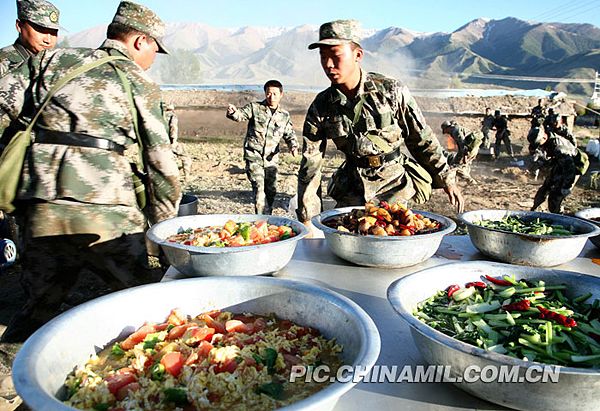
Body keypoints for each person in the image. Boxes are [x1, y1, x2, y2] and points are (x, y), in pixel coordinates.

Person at [0, 0, 181, 341]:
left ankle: (12, 375)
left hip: (42, 211)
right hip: (108, 218)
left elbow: (3, 104)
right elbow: (162, 165)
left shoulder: (52, 61)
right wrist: (162, 231)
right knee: (148, 305)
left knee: (39, 308)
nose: (153, 59)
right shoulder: (138, 82)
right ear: (141, 42)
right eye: (155, 49)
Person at [296, 20, 463, 229]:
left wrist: (447, 178)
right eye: (323, 57)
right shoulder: (321, 106)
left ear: (358, 55)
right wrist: (308, 217)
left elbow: (421, 138)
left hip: (396, 188)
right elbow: (310, 165)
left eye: (336, 56)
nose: (328, 64)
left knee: (399, 235)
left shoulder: (390, 91)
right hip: (352, 190)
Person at [226, 80, 298, 214]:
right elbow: (240, 115)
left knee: (271, 190)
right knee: (259, 189)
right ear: (265, 93)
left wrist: (293, 146)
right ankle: (260, 220)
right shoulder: (255, 108)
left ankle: (268, 217)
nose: (271, 97)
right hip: (254, 156)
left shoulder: (284, 115)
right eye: (268, 93)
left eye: (275, 94)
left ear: (281, 95)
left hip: (271, 159)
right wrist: (233, 112)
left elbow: (289, 133)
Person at [530, 127, 588, 213]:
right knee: (544, 188)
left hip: (575, 166)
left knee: (555, 196)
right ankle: (533, 211)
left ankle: (558, 217)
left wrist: (566, 187)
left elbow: (569, 169)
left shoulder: (560, 148)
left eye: (539, 144)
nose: (539, 147)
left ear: (544, 138)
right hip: (561, 162)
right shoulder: (545, 140)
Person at [0, 0, 60, 77]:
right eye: (41, 30)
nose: (48, 40)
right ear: (19, 26)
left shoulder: (54, 62)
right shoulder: (4, 64)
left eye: (53, 32)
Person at [163, 102, 192, 182]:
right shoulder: (172, 115)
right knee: (185, 157)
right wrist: (173, 140)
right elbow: (173, 127)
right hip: (170, 141)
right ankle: (187, 176)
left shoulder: (159, 116)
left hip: (160, 141)